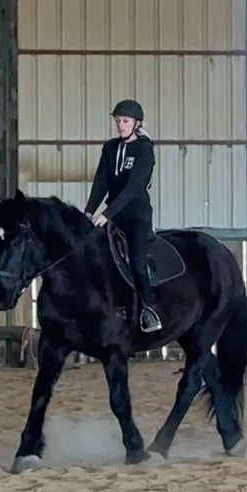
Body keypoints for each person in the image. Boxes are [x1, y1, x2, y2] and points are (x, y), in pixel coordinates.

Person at [84, 99, 163, 334]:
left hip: (136, 215)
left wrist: (106, 214)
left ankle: (149, 310)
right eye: (118, 121)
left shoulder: (144, 150)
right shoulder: (109, 148)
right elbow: (101, 182)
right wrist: (89, 210)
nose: (120, 125)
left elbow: (134, 187)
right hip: (112, 214)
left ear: (136, 123)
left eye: (125, 121)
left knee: (137, 262)